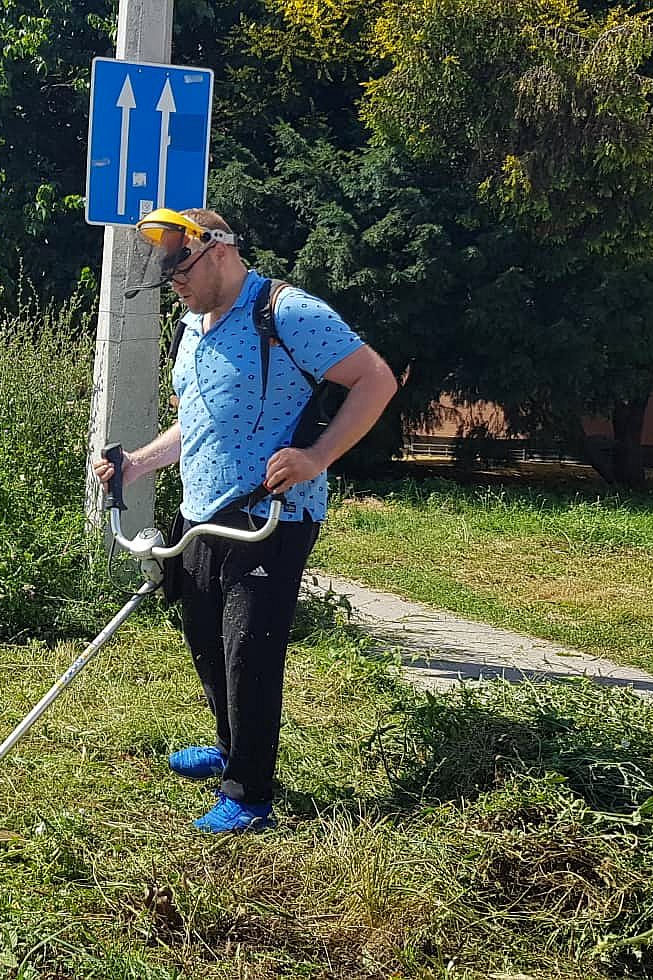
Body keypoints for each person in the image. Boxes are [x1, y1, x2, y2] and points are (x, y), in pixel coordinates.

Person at [92, 208, 399, 833]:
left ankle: (251, 791)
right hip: (202, 512)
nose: (172, 282)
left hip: (270, 514)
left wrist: (316, 456)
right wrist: (137, 465)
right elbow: (200, 425)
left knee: (247, 649)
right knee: (204, 634)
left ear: (219, 251)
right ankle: (230, 746)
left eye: (179, 268)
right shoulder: (194, 328)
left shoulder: (286, 313)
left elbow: (376, 380)